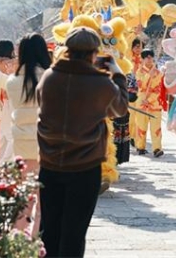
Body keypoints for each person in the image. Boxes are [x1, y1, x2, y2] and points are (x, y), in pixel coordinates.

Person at [37, 26, 128, 257]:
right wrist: (116, 73)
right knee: (74, 234)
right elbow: (120, 109)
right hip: (84, 167)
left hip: (49, 163)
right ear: (94, 53)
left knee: (50, 231)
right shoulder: (100, 84)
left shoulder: (49, 77)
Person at [6, 33, 52, 236]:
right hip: (44, 142)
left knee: (24, 196)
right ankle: (36, 239)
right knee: (43, 200)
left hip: (20, 142)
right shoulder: (48, 77)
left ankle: (18, 237)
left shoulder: (12, 81)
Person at [134, 48, 164, 157]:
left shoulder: (159, 72)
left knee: (156, 127)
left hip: (155, 102)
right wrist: (148, 76)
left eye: (150, 56)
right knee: (141, 125)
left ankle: (157, 148)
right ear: (142, 59)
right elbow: (141, 85)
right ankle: (140, 146)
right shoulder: (139, 71)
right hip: (142, 101)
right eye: (146, 57)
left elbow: (159, 87)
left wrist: (151, 98)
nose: (149, 59)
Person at [0, 39, 17, 164]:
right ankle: (3, 163)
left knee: (1, 135)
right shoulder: (14, 63)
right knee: (10, 135)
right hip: (10, 98)